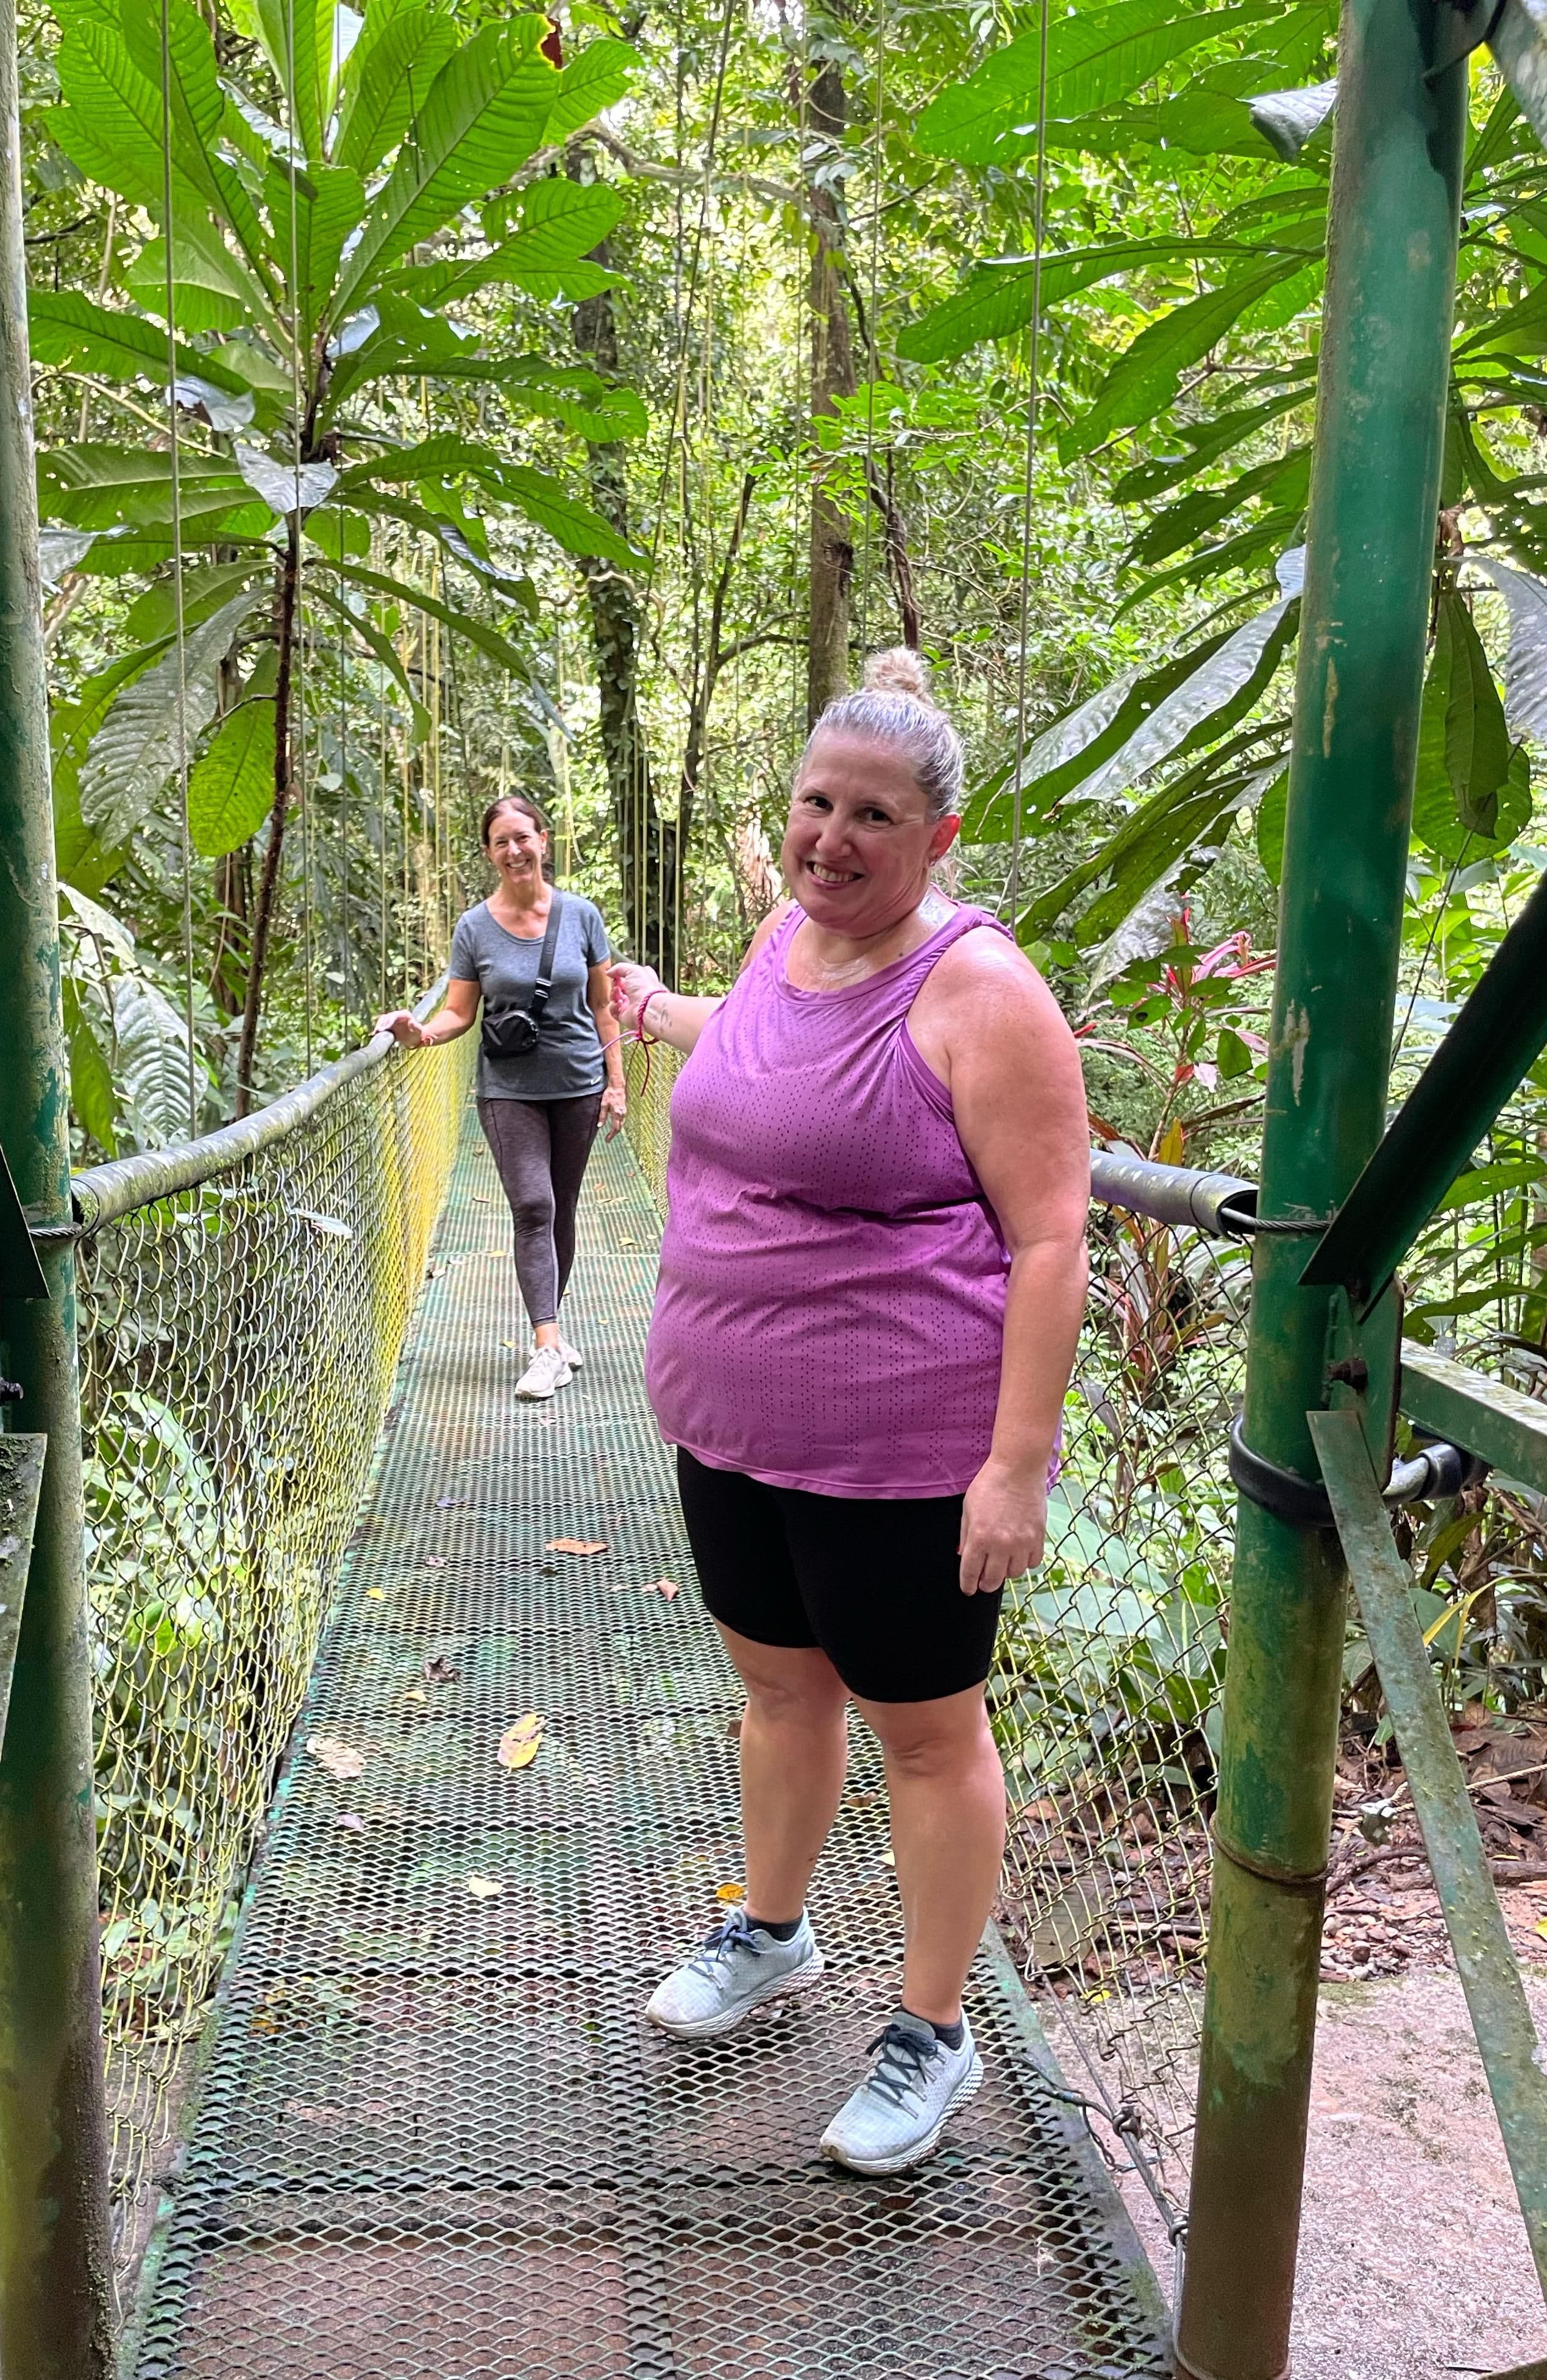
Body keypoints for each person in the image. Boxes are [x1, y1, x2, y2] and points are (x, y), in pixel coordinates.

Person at [610, 649, 1089, 2175]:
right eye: (817, 802)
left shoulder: (983, 993)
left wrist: (1016, 1467)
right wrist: (660, 1010)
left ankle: (931, 2030)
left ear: (938, 838)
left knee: (931, 1738)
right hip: (730, 1424)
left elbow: (1052, 1240)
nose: (832, 837)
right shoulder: (781, 935)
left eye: (872, 816)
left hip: (897, 1453)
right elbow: (761, 1061)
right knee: (778, 1696)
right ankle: (771, 1932)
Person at [379, 794, 625, 1399]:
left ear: (544, 840)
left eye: (522, 837)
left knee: (561, 1207)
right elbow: (460, 1012)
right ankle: (546, 1346)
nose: (514, 850)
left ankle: (554, 1331)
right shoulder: (474, 927)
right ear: (490, 854)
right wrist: (421, 1031)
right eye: (500, 842)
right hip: (509, 1089)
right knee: (534, 1206)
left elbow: (603, 1006)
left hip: (578, 1082)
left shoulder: (583, 917)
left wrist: (616, 1083)